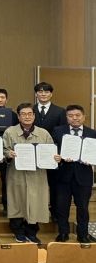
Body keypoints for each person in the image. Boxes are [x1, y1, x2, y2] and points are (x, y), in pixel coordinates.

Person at [3, 103, 61, 244]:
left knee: (36, 203)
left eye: (30, 114)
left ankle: (32, 232)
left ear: (34, 116)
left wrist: (55, 158)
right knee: (17, 202)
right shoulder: (10, 132)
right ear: (18, 116)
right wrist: (8, 154)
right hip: (16, 174)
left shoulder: (43, 133)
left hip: (37, 175)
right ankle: (18, 231)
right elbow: (3, 150)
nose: (27, 117)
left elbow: (51, 152)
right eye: (23, 114)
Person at [52, 104, 96, 243]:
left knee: (82, 207)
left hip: (83, 176)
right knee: (62, 207)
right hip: (63, 175)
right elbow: (53, 150)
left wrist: (92, 159)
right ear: (66, 117)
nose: (74, 118)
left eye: (77, 115)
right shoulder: (58, 131)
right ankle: (63, 233)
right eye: (70, 116)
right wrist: (57, 157)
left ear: (84, 117)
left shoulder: (92, 133)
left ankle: (82, 234)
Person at [32, 81, 67, 222]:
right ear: (36, 94)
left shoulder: (60, 111)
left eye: (46, 91)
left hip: (52, 154)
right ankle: (35, 210)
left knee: (54, 184)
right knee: (35, 183)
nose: (43, 94)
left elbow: (63, 133)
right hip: (33, 153)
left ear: (51, 94)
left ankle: (54, 212)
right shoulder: (30, 110)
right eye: (40, 91)